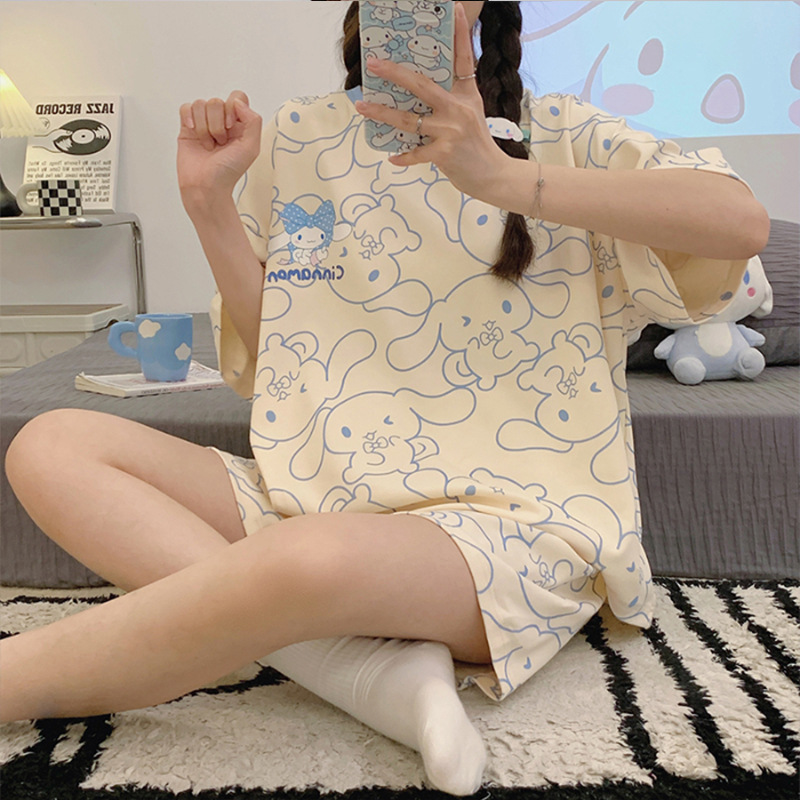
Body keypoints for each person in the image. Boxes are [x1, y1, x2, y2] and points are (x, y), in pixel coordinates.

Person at [0, 1, 769, 796]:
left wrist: (502, 177)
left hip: (509, 526)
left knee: (307, 559)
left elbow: (739, 223)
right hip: (314, 495)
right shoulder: (296, 135)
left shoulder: (563, 131)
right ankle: (362, 674)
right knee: (50, 445)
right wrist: (208, 204)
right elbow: (282, 360)